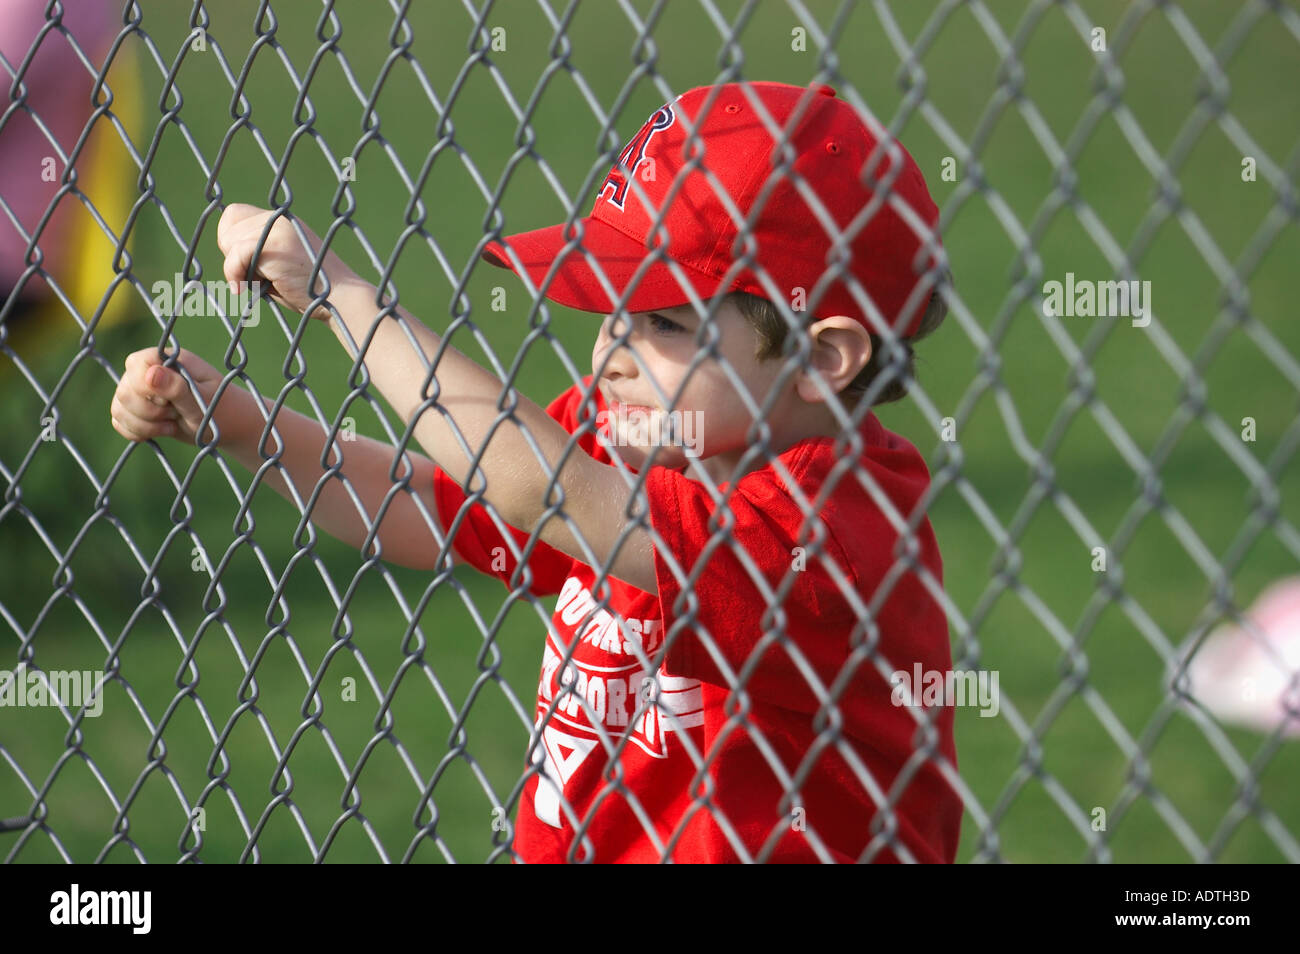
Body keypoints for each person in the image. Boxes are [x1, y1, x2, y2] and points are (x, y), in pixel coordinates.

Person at [109, 80, 961, 862]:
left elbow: (534, 483)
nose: (609, 354)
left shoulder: (833, 529)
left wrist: (341, 294)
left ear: (822, 358)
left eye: (663, 320)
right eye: (607, 308)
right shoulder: (630, 434)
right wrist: (243, 427)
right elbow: (433, 504)